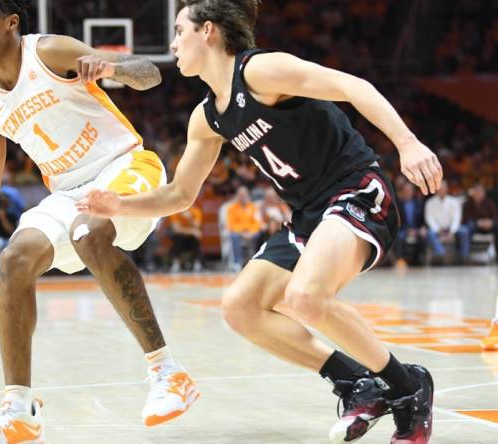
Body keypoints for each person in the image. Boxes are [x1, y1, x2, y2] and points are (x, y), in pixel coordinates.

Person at [78, 1, 440, 443]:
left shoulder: (261, 71)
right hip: (308, 213)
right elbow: (179, 195)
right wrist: (119, 205)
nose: (172, 43)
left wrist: (408, 142)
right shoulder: (207, 116)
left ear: (208, 31)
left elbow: (352, 85)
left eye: (179, 31)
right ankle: (356, 383)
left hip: (354, 189)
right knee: (240, 308)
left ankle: (408, 389)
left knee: (305, 298)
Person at [0, 1, 199, 442]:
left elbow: (150, 73)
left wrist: (116, 68)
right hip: (69, 194)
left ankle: (168, 373)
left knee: (88, 231)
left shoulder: (50, 52)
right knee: (15, 258)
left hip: (126, 168)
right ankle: (19, 410)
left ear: (11, 22)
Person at [424, 180, 468, 264]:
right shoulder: (429, 203)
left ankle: (464, 257)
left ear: (446, 189)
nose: (441, 190)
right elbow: (429, 219)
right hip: (438, 230)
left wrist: (452, 232)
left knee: (464, 231)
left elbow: (457, 218)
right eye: (439, 188)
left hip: (452, 229)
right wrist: (439, 231)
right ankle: (441, 254)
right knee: (430, 233)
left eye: (443, 188)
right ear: (436, 189)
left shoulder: (454, 202)